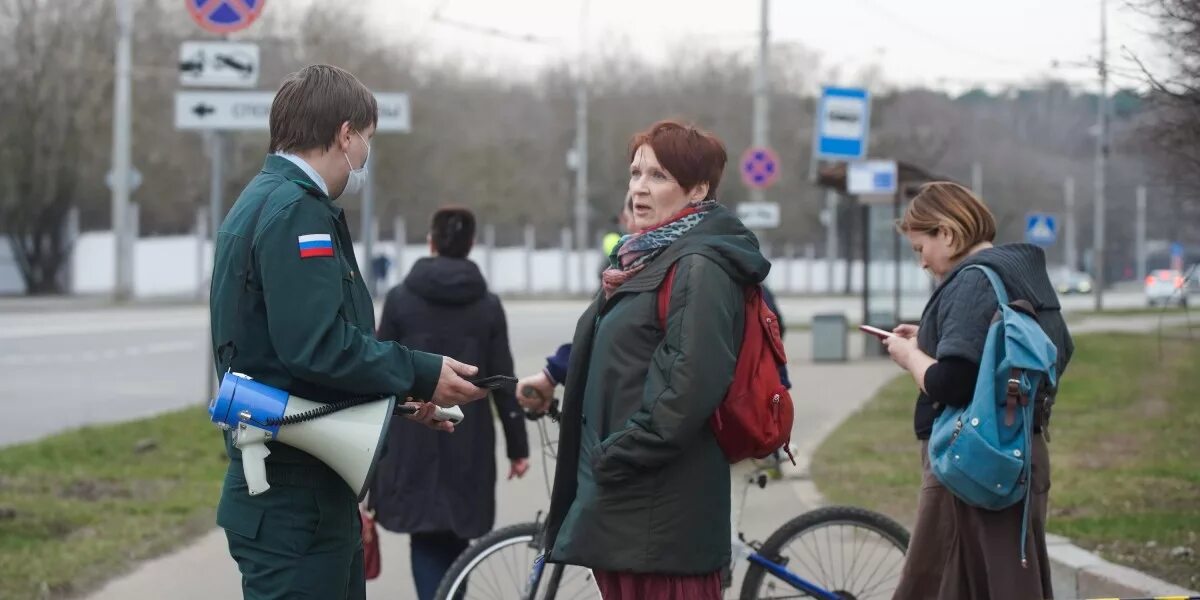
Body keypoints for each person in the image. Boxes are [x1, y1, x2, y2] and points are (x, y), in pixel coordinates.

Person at [208, 64, 487, 600]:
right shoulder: (297, 213)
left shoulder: (265, 199)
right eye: (367, 140)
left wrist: (400, 400)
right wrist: (421, 371)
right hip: (296, 502)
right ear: (344, 134)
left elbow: (281, 358)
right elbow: (316, 348)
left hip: (294, 485)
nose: (364, 156)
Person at [534, 120, 770, 600]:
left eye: (659, 176)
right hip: (628, 507)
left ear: (698, 189)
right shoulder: (645, 260)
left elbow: (688, 388)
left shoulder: (699, 265)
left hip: (662, 515)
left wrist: (612, 456)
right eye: (635, 173)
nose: (640, 188)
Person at [880, 181, 1073, 599]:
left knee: (938, 585)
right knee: (1005, 583)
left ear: (946, 233)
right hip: (1019, 451)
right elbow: (1054, 351)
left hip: (970, 460)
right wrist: (932, 338)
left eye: (920, 248)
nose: (922, 262)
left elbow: (951, 382)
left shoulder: (973, 281)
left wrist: (909, 356)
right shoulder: (1024, 275)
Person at [368, 207, 530, 600]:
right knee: (458, 536)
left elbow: (378, 374)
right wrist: (517, 448)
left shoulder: (402, 299)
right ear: (471, 244)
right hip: (467, 439)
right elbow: (502, 379)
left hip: (413, 432)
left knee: (425, 535)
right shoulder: (487, 304)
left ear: (431, 241)